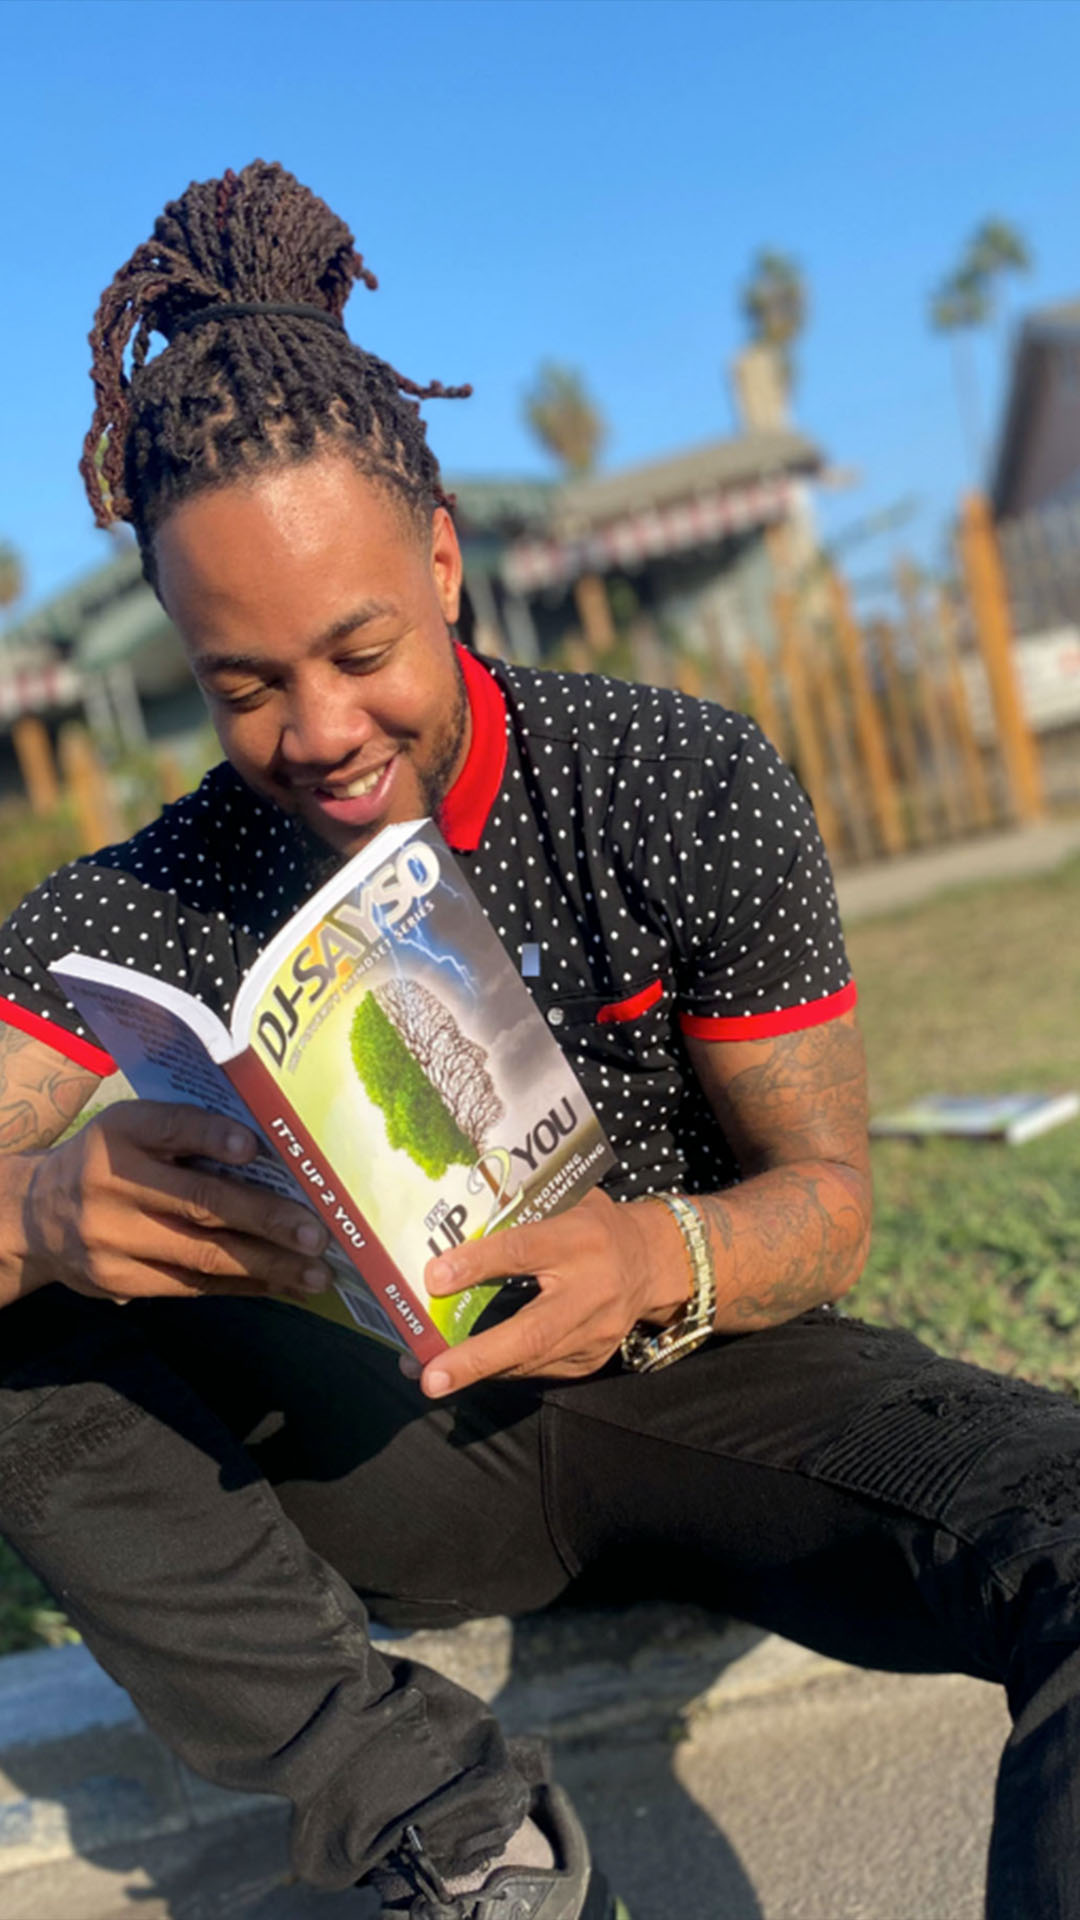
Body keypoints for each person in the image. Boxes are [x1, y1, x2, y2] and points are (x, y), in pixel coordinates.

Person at [0, 162, 1077, 1920]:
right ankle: (443, 1827)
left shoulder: (673, 781)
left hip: (715, 1387)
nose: (320, 731)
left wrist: (651, 1255)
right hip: (390, 1450)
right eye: (245, 684)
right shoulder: (153, 895)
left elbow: (828, 1204)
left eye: (360, 649)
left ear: (443, 560)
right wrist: (42, 1213)